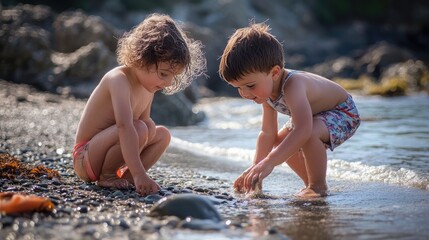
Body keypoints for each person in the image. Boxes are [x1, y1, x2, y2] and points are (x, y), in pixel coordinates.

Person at [218, 22, 360, 198]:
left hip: (343, 112)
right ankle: (309, 183)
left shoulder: (293, 85)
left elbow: (304, 128)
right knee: (281, 142)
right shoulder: (266, 93)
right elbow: (267, 133)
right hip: (315, 115)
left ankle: (318, 186)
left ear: (275, 73)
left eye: (250, 85)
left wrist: (270, 162)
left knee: (307, 133)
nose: (245, 94)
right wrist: (256, 169)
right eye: (238, 88)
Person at [73, 13, 205, 196]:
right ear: (143, 58)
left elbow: (144, 130)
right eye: (164, 74)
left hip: (106, 152)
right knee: (140, 128)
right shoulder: (118, 79)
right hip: (85, 157)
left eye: (172, 77)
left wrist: (147, 133)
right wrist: (140, 172)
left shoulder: (147, 88)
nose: (167, 83)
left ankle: (127, 177)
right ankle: (109, 175)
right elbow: (124, 126)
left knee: (160, 133)